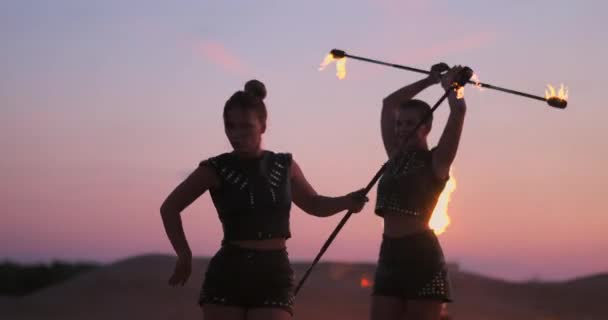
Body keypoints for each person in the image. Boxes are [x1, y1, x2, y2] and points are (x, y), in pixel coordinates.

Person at [160, 79, 368, 320]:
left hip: (274, 273)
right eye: (230, 126)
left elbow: (314, 204)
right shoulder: (215, 168)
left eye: (245, 127)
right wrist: (184, 254)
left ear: (263, 126)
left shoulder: (284, 165)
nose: (236, 135)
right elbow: (170, 208)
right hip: (228, 274)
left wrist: (347, 201)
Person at [370, 64, 467, 320]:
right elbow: (389, 103)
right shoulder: (394, 155)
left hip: (422, 257)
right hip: (389, 253)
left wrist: (452, 88)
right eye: (399, 123)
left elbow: (458, 111)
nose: (401, 129)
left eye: (410, 123)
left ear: (426, 127)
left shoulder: (437, 161)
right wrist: (430, 80)